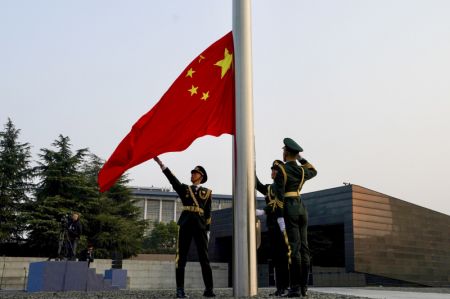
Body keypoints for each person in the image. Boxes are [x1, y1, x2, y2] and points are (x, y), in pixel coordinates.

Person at [154, 156, 215, 298]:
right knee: (181, 258)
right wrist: (161, 164)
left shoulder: (207, 192)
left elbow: (208, 213)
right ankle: (180, 290)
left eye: (195, 173)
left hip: (200, 226)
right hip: (186, 224)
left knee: (204, 258)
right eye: (192, 172)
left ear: (201, 176)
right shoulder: (185, 189)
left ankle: (209, 289)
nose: (192, 174)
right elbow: (172, 180)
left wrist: (208, 230)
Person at [281, 138, 317, 297]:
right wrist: (300, 158)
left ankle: (294, 287)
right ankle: (303, 287)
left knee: (293, 249)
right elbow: (313, 170)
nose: (283, 152)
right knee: (305, 248)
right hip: (302, 208)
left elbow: (276, 190)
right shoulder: (302, 171)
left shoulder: (283, 170)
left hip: (289, 207)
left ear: (287, 152)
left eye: (284, 150)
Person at [256, 160, 291, 297]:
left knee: (284, 256)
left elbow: (277, 202)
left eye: (275, 169)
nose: (273, 171)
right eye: (272, 169)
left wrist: (264, 211)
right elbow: (258, 185)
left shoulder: (284, 186)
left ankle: (287, 286)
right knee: (276, 257)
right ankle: (279, 288)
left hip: (282, 224)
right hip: (272, 225)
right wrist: (251, 168)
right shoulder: (270, 187)